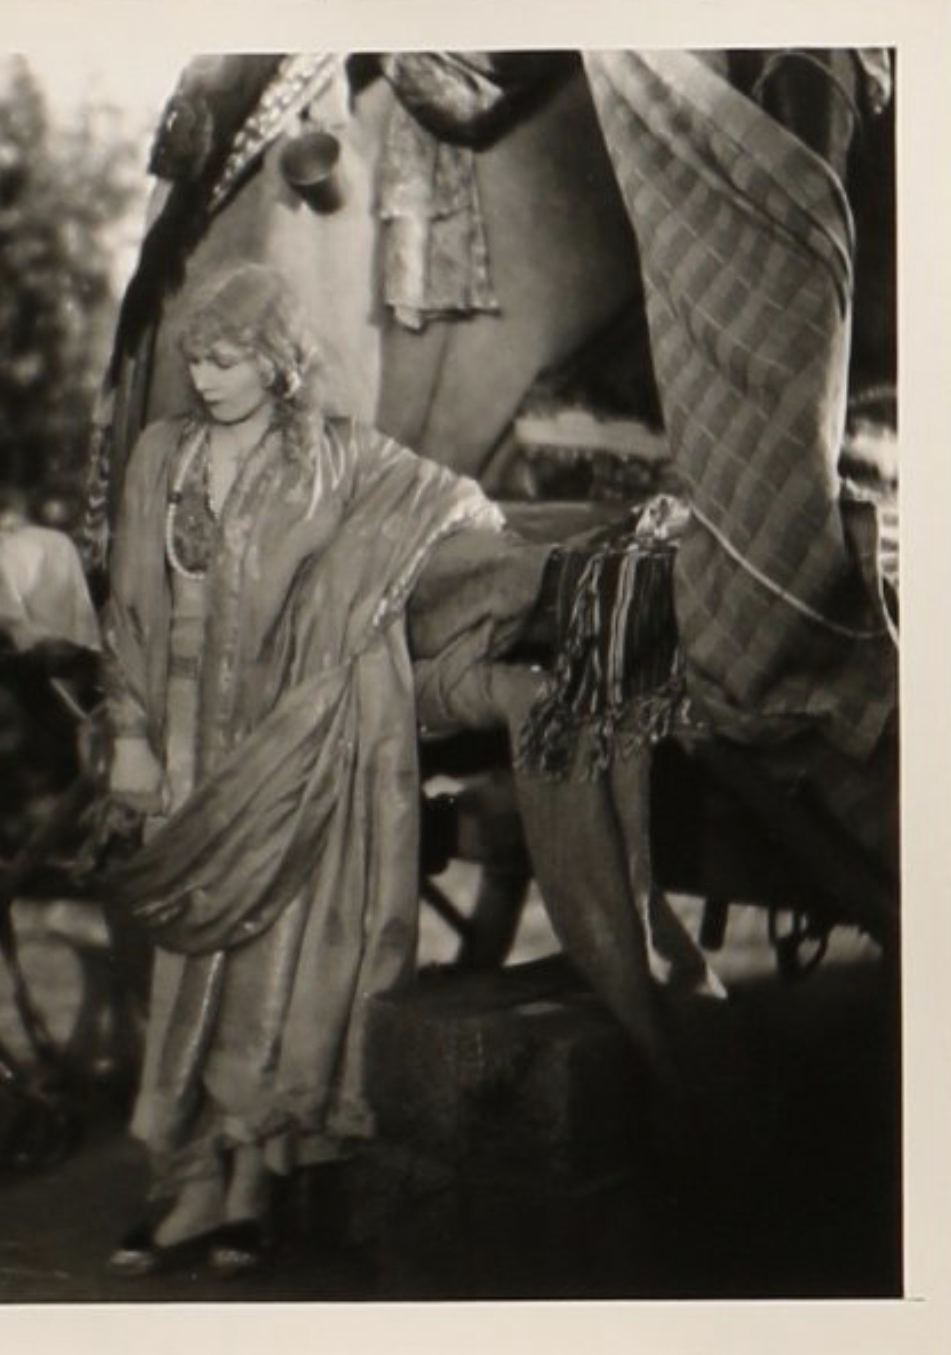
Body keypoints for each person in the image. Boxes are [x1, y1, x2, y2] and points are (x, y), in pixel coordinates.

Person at [98, 263, 713, 1278]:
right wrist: (129, 735)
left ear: (282, 364)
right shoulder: (161, 456)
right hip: (186, 744)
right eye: (198, 357)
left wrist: (402, 605)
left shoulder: (338, 461)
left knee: (276, 965)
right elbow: (125, 612)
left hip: (298, 737)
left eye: (232, 358)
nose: (207, 376)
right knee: (190, 959)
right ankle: (189, 1179)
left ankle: (252, 1181)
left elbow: (457, 514)